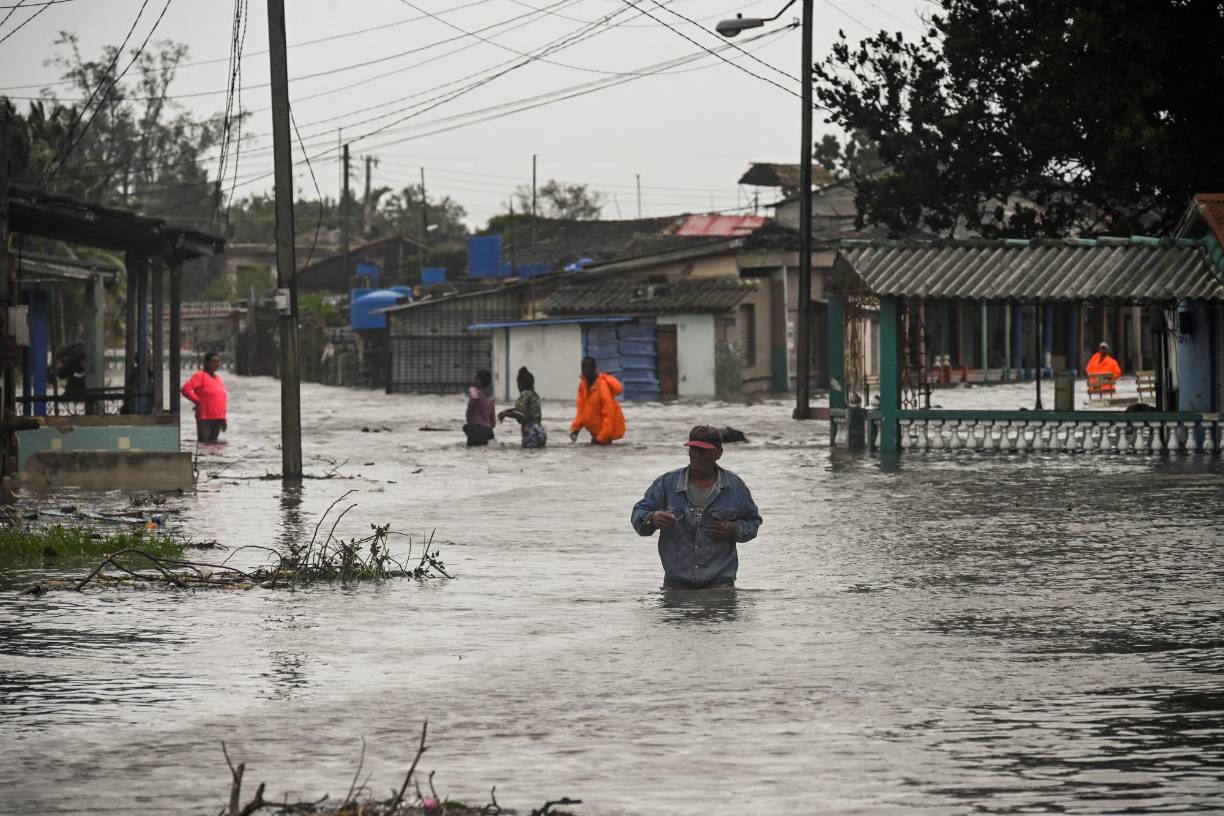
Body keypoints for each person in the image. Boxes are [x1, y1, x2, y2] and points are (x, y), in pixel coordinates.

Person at [631, 425, 762, 589]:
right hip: (676, 585)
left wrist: (735, 529)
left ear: (718, 454)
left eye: (704, 451)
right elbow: (639, 514)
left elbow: (753, 522)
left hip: (720, 585)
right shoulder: (666, 483)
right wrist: (652, 518)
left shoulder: (735, 487)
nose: (697, 455)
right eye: (693, 449)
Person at [569, 356, 625, 445]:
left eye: (588, 366)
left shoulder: (602, 386)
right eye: (583, 367)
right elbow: (581, 410)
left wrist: (602, 437)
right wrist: (576, 429)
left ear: (595, 368)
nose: (585, 369)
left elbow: (609, 414)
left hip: (604, 437)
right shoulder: (583, 386)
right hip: (595, 435)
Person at [181, 351, 228, 442]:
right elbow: (185, 389)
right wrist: (198, 401)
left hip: (218, 417)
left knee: (214, 446)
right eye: (214, 361)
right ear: (206, 363)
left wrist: (224, 418)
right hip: (205, 416)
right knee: (204, 444)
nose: (217, 364)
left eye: (218, 361)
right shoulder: (200, 375)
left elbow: (222, 399)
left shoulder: (218, 378)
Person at [497, 366, 547, 448]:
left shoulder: (523, 395)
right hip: (540, 432)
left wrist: (505, 414)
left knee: (527, 457)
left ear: (520, 384)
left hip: (531, 433)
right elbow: (525, 411)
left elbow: (519, 414)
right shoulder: (535, 395)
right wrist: (507, 411)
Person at [463, 369, 496, 446]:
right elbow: (493, 423)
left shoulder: (474, 391)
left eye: (475, 378)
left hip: (476, 430)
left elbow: (473, 400)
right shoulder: (491, 398)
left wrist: (469, 417)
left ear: (478, 380)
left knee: (473, 454)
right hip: (489, 431)